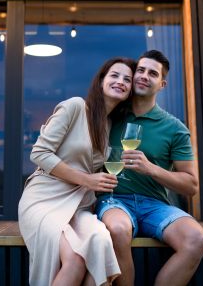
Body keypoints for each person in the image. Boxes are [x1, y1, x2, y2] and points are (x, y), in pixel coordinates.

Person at [18, 57, 136, 286]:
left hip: (79, 205)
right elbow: (39, 154)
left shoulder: (109, 126)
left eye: (127, 79)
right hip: (45, 198)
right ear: (101, 80)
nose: (121, 81)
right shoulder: (75, 106)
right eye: (114, 75)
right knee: (75, 258)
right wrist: (87, 180)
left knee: (101, 242)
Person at [94, 50, 203, 286]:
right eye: (140, 70)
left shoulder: (175, 128)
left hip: (155, 205)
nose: (144, 76)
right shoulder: (109, 114)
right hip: (115, 199)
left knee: (196, 239)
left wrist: (151, 169)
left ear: (162, 84)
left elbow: (191, 185)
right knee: (117, 228)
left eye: (153, 74)